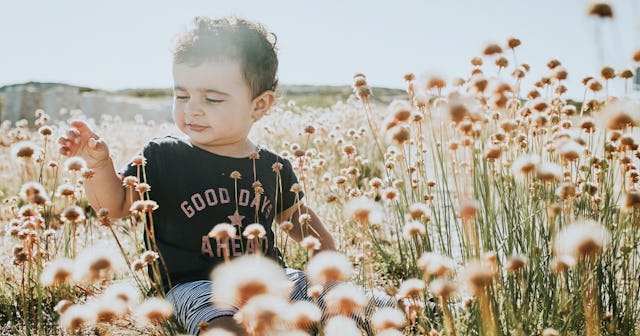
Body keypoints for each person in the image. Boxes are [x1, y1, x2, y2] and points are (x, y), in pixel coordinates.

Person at [59, 16, 391, 335]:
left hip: (273, 281)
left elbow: (309, 228)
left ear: (259, 106)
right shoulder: (162, 156)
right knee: (222, 328)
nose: (192, 109)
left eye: (212, 98)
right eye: (182, 95)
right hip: (195, 288)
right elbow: (115, 206)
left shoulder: (273, 167)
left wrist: (331, 278)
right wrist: (98, 166)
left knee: (371, 307)